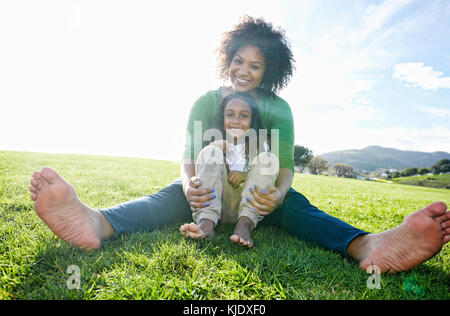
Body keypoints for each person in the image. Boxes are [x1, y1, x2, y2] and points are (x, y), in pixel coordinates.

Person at [29, 16, 450, 274]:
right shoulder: (207, 101)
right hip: (208, 190)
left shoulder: (279, 108)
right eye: (238, 61)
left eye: (256, 65)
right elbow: (189, 156)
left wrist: (278, 195)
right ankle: (95, 223)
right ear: (226, 58)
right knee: (170, 197)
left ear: (270, 71)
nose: (244, 71)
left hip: (259, 193)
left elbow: (284, 165)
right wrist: (190, 183)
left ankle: (368, 245)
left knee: (298, 206)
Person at [179, 91, 278, 247]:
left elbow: (262, 175)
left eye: (244, 116)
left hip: (245, 204)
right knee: (210, 152)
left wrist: (245, 175)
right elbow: (206, 173)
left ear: (252, 120)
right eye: (230, 114)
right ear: (222, 118)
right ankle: (206, 222)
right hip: (217, 202)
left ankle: (244, 225)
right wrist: (214, 148)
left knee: (269, 160)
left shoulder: (259, 145)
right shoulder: (215, 141)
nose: (236, 121)